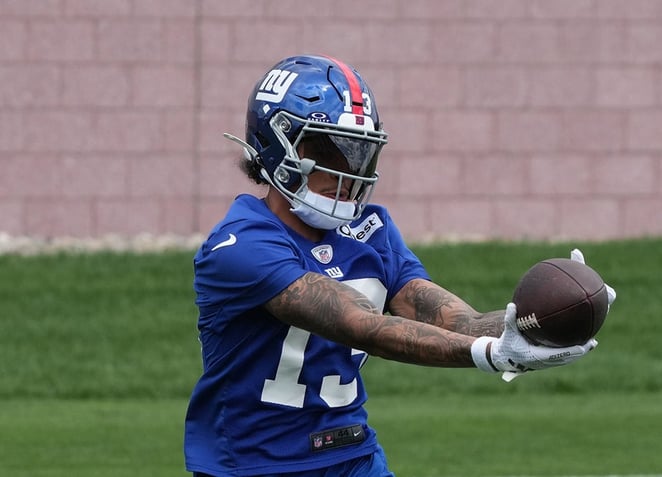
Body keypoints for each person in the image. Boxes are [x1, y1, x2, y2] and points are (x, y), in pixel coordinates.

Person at [183, 54, 616, 477]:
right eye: (329, 152)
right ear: (278, 147)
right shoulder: (240, 242)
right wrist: (490, 355)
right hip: (255, 465)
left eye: (357, 155)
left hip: (353, 455)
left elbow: (455, 319)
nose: (348, 174)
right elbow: (359, 324)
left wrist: (527, 327)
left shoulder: (372, 229)